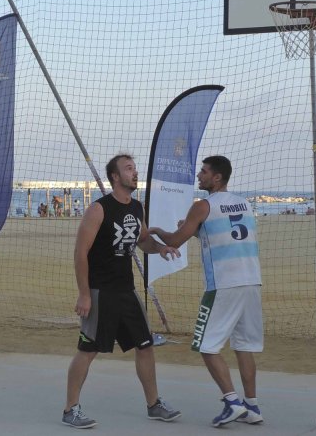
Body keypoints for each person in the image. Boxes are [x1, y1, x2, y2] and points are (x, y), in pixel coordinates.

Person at [62, 154, 182, 429]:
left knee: (145, 345)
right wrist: (84, 293)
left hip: (126, 290)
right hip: (100, 292)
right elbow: (80, 253)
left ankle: (154, 404)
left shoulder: (137, 207)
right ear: (115, 177)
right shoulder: (98, 210)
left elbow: (141, 241)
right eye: (129, 169)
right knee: (87, 349)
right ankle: (71, 409)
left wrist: (161, 248)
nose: (135, 173)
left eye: (135, 169)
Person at [149, 155, 264, 427]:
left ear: (217, 178)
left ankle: (232, 401)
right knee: (244, 346)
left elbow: (177, 240)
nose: (199, 176)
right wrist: (195, 231)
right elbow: (223, 234)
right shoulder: (244, 203)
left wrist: (157, 232)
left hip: (224, 284)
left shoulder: (203, 205)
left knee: (206, 345)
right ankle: (252, 406)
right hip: (252, 281)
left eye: (203, 172)